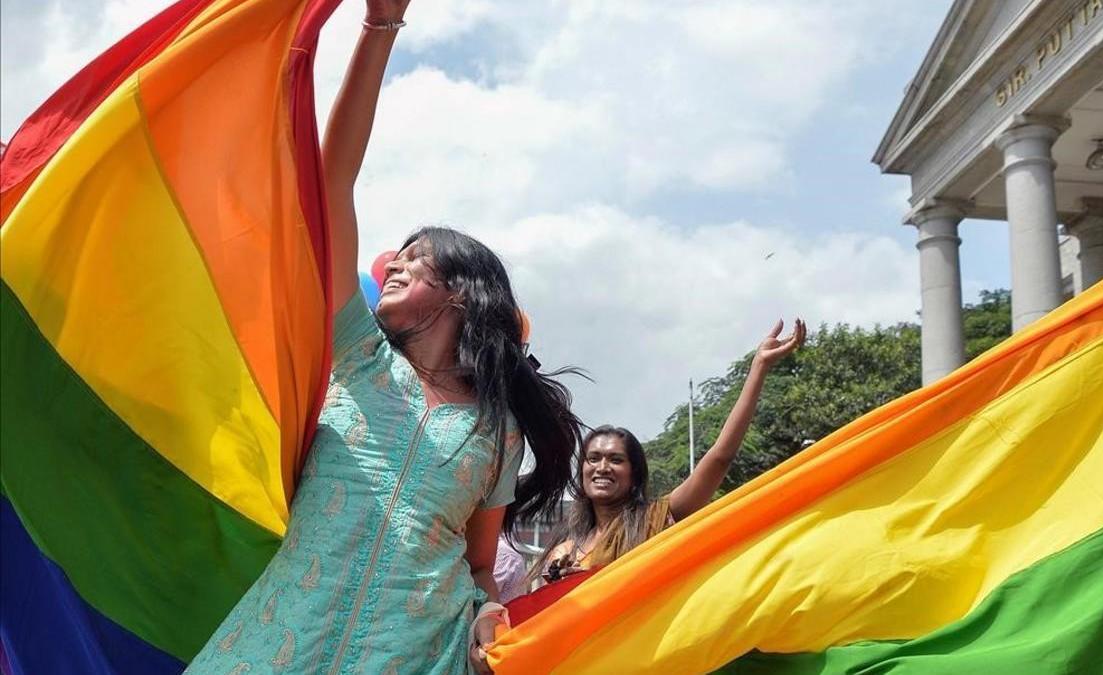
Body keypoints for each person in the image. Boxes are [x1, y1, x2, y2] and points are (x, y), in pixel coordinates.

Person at [186, 1, 583, 672]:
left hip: (414, 653)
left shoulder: (498, 431)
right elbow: (331, 179)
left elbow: (481, 564)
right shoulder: (357, 356)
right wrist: (378, 30)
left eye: (415, 256)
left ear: (462, 289)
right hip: (286, 638)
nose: (392, 263)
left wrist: (489, 611)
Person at [535, 319, 805, 581]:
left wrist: (758, 367)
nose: (602, 467)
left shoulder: (655, 520)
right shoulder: (565, 552)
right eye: (593, 459)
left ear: (634, 475)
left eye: (616, 460)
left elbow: (720, 457)